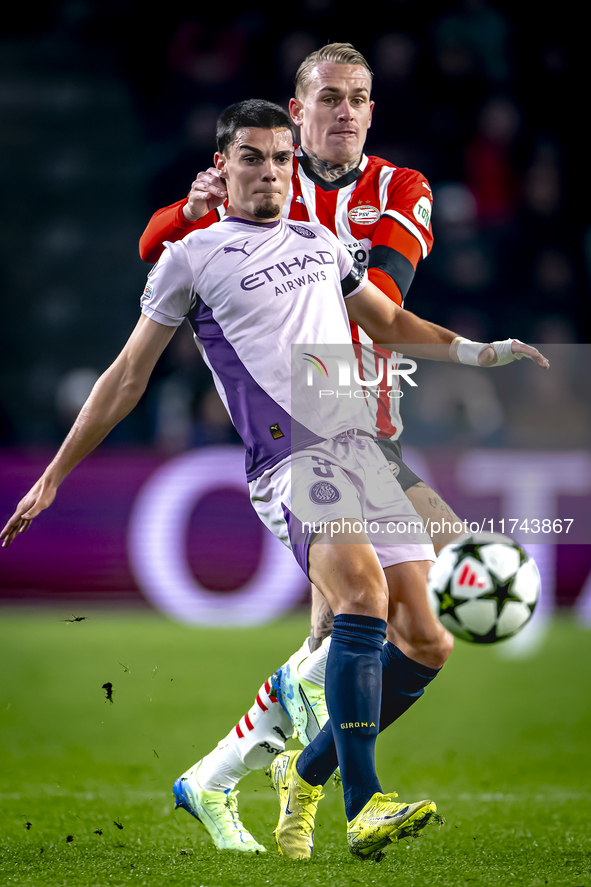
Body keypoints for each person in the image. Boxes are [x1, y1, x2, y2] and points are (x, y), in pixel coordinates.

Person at [1, 100, 548, 860]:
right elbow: (127, 376)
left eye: (281, 159)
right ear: (220, 167)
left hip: (361, 448)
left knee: (425, 639)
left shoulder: (322, 241)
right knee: (362, 597)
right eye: (251, 158)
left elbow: (388, 324)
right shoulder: (192, 257)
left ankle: (290, 771)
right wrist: (56, 473)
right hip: (292, 457)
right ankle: (364, 804)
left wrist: (480, 351)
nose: (269, 172)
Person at [137, 42, 471, 853]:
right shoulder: (260, 179)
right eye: (329, 98)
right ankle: (311, 785)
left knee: (403, 630)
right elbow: (159, 251)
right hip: (303, 432)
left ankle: (247, 775)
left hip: (366, 424)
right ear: (298, 111)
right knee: (355, 619)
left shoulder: (398, 189)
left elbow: (381, 302)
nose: (345, 112)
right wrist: (192, 209)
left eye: (358, 98)